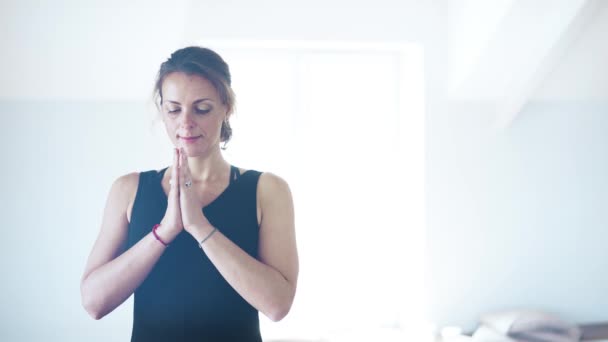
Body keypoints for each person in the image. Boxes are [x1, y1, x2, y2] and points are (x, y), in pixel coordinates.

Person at [80, 46, 299, 341]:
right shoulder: (128, 190)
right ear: (161, 109)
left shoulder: (267, 190)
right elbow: (93, 303)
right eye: (174, 109)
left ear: (226, 107)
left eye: (202, 108)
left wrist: (200, 227)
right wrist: (165, 232)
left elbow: (277, 305)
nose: (186, 122)